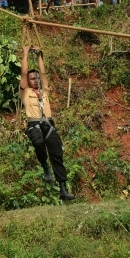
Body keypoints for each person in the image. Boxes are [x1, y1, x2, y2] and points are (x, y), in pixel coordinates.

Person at [20, 45, 75, 201]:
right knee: (37, 142)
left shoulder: (45, 91)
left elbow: (42, 73)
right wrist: (25, 54)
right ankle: (45, 166)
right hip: (34, 124)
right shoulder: (25, 92)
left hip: (49, 124)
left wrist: (39, 56)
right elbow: (23, 73)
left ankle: (63, 188)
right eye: (33, 78)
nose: (36, 80)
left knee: (57, 154)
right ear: (28, 82)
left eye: (37, 78)